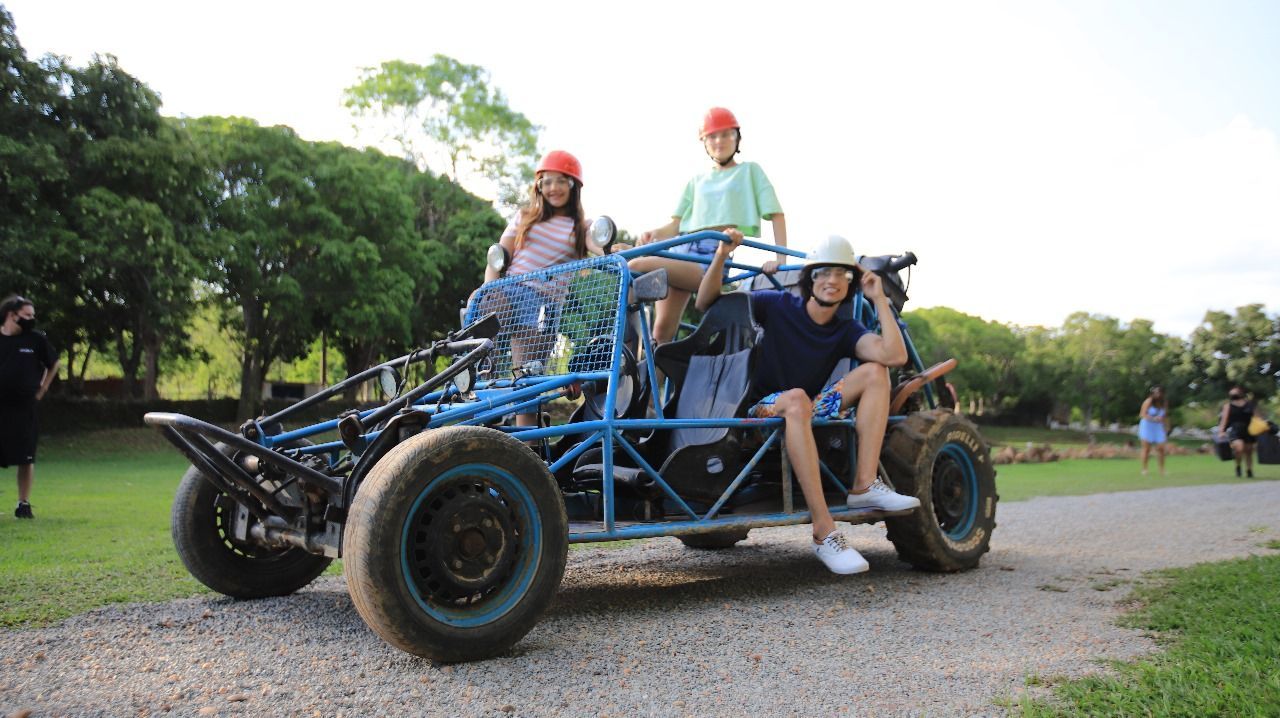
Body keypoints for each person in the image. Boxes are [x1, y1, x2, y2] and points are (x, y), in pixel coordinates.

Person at [695, 233, 920, 575]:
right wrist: (723, 254)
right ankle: (824, 531)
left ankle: (863, 485)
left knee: (876, 373)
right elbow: (707, 301)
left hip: (804, 408)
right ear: (810, 278)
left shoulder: (846, 329)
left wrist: (879, 299)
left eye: (842, 275)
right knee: (797, 398)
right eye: (823, 273)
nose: (832, 282)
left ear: (851, 284)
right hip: (760, 412)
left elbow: (895, 355)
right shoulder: (777, 303)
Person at [630, 107, 787, 347]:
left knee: (634, 266)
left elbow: (776, 214)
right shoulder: (697, 181)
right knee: (661, 332)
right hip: (680, 249)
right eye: (712, 136)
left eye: (726, 134)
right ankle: (639, 380)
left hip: (711, 255)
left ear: (737, 138)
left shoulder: (749, 171)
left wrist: (780, 260)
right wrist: (654, 233)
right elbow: (676, 225)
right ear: (704, 142)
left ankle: (622, 351)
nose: (719, 141)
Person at [479, 150, 599, 429]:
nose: (553, 188)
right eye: (546, 182)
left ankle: (527, 452)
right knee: (481, 305)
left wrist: (613, 246)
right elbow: (498, 257)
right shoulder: (525, 216)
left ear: (573, 186)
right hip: (510, 290)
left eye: (561, 181)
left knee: (527, 382)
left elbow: (599, 243)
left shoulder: (580, 226)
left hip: (542, 303)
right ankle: (486, 392)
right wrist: (487, 289)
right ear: (539, 186)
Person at [1, 295, 58, 519]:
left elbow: (53, 364)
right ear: (11, 315)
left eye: (33, 316)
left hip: (25, 408)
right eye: (27, 316)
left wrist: (42, 389)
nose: (31, 320)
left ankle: (23, 503)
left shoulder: (35, 340)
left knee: (26, 457)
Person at [1218, 385, 1261, 478]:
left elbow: (1257, 418)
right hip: (1235, 430)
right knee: (1239, 448)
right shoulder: (1228, 406)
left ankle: (1249, 470)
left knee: (1249, 451)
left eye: (1235, 393)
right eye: (1232, 394)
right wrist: (1221, 431)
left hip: (1249, 430)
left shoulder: (1250, 404)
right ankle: (1238, 466)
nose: (1233, 395)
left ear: (1241, 393)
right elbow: (1224, 420)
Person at [1137, 385, 1169, 476]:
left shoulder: (1164, 403)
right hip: (1147, 426)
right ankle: (1144, 469)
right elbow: (1142, 414)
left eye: (1159, 393)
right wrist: (1153, 418)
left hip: (1158, 427)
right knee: (1146, 449)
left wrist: (1166, 426)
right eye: (1155, 393)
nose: (1157, 395)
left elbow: (1165, 416)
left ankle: (1162, 469)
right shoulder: (1148, 402)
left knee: (1161, 448)